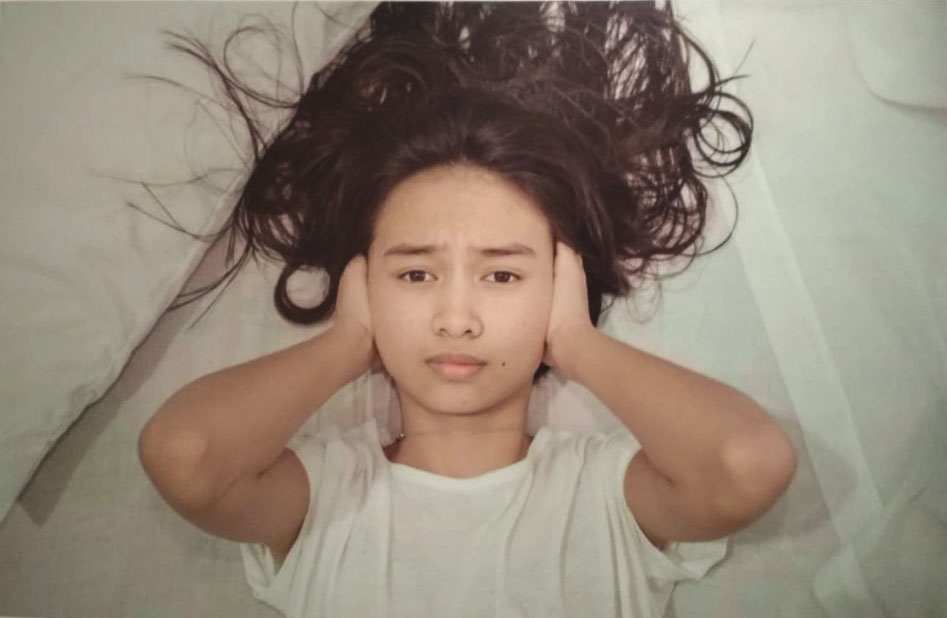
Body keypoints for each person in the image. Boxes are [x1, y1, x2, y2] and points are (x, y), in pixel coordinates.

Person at [138, 2, 797, 616]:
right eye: (416, 273)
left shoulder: (603, 492)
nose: (456, 319)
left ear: (561, 285)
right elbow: (187, 456)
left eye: (502, 274)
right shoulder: (324, 492)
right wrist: (348, 342)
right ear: (364, 284)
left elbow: (745, 463)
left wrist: (575, 340)